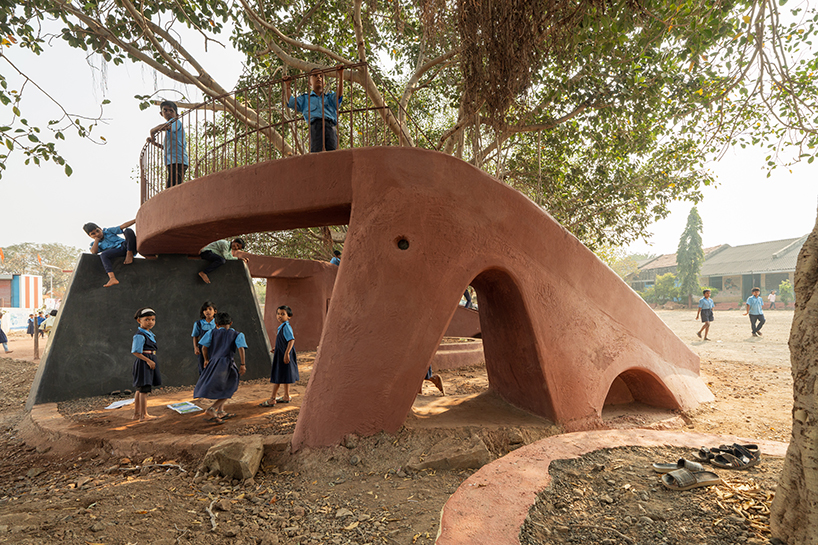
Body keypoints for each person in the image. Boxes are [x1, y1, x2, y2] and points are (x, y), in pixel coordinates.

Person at [194, 312, 247, 423]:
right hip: (227, 363)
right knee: (230, 388)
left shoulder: (211, 332)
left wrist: (206, 359)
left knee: (223, 386)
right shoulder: (237, 334)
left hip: (213, 362)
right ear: (231, 323)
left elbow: (204, 347)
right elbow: (241, 349)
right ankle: (212, 408)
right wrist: (242, 364)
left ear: (216, 324)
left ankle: (220, 411)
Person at [284, 66, 345, 153]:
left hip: (330, 126)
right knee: (316, 151)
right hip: (315, 126)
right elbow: (291, 103)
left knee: (332, 152)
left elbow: (339, 95)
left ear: (324, 83)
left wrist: (341, 75)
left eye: (321, 76)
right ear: (309, 82)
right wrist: (288, 86)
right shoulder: (305, 99)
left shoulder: (329, 97)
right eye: (315, 76)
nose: (318, 78)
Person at [260, 305, 298, 407]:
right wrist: (277, 348)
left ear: (289, 316)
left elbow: (291, 340)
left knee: (278, 375)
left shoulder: (286, 327)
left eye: (283, 314)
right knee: (285, 374)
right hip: (281, 353)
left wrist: (286, 354)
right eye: (278, 313)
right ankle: (286, 395)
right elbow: (284, 341)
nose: (279, 316)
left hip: (284, 355)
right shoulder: (282, 327)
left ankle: (272, 398)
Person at [83, 220, 137, 287]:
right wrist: (96, 240)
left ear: (100, 229)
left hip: (127, 246)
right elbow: (94, 252)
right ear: (90, 236)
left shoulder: (108, 231)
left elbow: (123, 226)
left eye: (97, 231)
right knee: (103, 255)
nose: (97, 234)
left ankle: (129, 253)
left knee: (128, 230)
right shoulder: (96, 244)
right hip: (118, 252)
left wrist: (136, 219)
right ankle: (112, 278)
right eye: (93, 234)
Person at [147, 100, 188, 189]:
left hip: (178, 161)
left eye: (171, 110)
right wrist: (154, 143)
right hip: (173, 161)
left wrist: (152, 131)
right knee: (172, 185)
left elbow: (165, 127)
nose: (168, 112)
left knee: (172, 187)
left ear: (176, 115)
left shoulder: (175, 122)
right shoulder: (171, 130)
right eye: (165, 110)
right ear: (161, 113)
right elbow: (166, 148)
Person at [131, 307, 162, 421]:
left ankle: (136, 414)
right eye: (147, 319)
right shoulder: (140, 335)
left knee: (140, 388)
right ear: (139, 320)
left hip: (148, 360)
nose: (150, 322)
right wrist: (148, 360)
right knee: (144, 389)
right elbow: (135, 351)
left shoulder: (149, 333)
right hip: (145, 362)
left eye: (153, 319)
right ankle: (144, 415)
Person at [192, 301, 218, 375]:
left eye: (210, 309)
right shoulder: (198, 323)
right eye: (205, 310)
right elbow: (195, 336)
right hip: (202, 348)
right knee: (203, 366)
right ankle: (205, 385)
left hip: (215, 347)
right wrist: (195, 347)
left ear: (215, 311)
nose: (207, 311)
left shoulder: (218, 323)